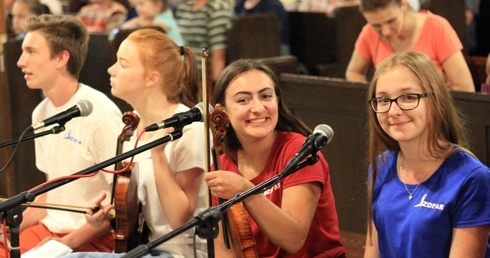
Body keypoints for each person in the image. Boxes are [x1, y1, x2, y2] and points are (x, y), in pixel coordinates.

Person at [62, 28, 209, 258]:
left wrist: (158, 155)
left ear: (152, 78)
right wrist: (108, 214)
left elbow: (180, 218)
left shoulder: (190, 129)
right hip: (148, 249)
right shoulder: (136, 130)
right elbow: (142, 211)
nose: (111, 70)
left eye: (123, 64)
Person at [0, 14, 123, 257]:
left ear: (61, 58)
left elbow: (118, 207)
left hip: (93, 237)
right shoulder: (41, 113)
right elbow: (48, 195)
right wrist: (7, 228)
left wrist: (63, 245)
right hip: (49, 228)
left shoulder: (101, 113)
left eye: (31, 51)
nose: (20, 61)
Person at [204, 59, 346, 257]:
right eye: (243, 100)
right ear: (223, 111)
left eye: (266, 96)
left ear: (277, 101)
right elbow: (224, 249)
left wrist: (247, 191)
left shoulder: (300, 152)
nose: (258, 107)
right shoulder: (223, 166)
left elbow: (293, 239)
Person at [364, 51, 490, 257]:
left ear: (435, 100)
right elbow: (373, 250)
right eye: (383, 100)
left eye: (408, 97)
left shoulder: (473, 178)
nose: (393, 111)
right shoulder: (381, 165)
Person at [345, 0, 475, 92]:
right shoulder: (368, 32)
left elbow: (464, 88)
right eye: (376, 26)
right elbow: (353, 72)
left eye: (391, 21)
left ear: (403, 4)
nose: (385, 31)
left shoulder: (436, 27)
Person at [175, 0, 232, 82]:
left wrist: (216, 88)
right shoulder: (184, 8)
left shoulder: (217, 8)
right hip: (177, 66)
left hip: (199, 74)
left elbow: (219, 53)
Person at [120, 0, 184, 46]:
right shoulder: (164, 15)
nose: (137, 8)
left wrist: (139, 22)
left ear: (158, 4)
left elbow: (159, 27)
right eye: (136, 5)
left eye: (141, 4)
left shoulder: (163, 19)